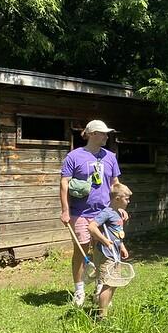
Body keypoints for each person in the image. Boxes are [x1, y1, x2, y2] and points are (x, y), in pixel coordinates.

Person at [60, 120, 122, 306]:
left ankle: (100, 287)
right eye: (103, 133)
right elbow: (64, 183)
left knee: (103, 251)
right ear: (93, 134)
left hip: (104, 213)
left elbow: (115, 184)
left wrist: (118, 207)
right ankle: (79, 290)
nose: (106, 136)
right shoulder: (74, 156)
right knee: (81, 250)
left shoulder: (110, 156)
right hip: (80, 212)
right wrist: (65, 210)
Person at [88, 183, 131, 319]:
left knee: (114, 282)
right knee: (108, 283)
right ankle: (102, 315)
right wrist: (104, 240)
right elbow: (92, 227)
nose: (128, 202)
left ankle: (103, 308)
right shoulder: (107, 212)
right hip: (106, 253)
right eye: (126, 199)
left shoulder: (118, 214)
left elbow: (117, 233)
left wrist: (122, 247)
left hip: (115, 253)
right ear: (117, 199)